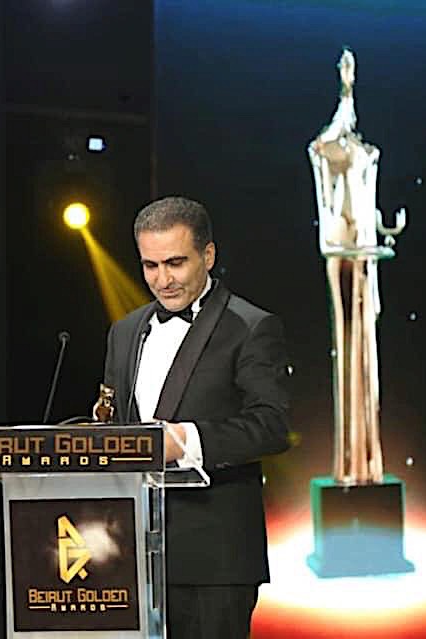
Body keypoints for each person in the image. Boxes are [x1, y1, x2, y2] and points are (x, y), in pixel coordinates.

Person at [101, 196, 290, 639]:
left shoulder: (251, 326)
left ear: (208, 255)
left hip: (214, 561)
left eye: (175, 263)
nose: (162, 279)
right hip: (131, 554)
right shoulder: (125, 332)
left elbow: (272, 425)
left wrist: (185, 441)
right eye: (150, 266)